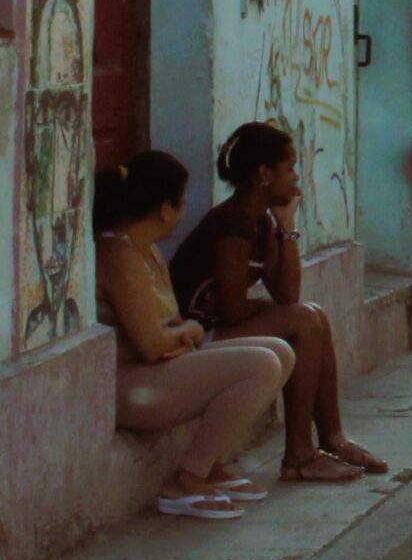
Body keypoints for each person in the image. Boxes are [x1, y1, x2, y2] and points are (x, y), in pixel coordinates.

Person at [170, 122, 385, 483]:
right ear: (264, 174)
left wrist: (286, 227)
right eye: (290, 168)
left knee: (313, 316)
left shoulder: (261, 223)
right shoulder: (233, 224)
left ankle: (333, 438)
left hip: (218, 330)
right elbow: (235, 309)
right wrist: (270, 313)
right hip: (192, 339)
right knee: (303, 321)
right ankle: (299, 454)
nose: (296, 178)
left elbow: (287, 294)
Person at [95, 151, 295, 519]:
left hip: (157, 371)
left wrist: (179, 334)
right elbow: (153, 345)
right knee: (261, 364)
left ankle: (212, 465)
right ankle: (185, 481)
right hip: (128, 387)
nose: (184, 212)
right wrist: (188, 330)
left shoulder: (147, 251)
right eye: (182, 202)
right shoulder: (118, 254)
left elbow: (166, 329)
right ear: (164, 209)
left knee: (280, 352)